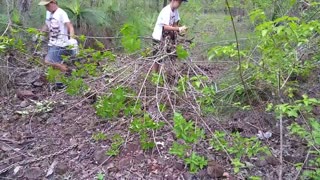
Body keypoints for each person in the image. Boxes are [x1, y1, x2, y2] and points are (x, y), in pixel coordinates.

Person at [38, 0, 76, 72]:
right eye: (45, 6)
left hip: (59, 44)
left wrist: (72, 40)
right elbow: (47, 25)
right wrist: (40, 34)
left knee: (47, 61)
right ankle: (60, 81)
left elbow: (70, 27)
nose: (46, 8)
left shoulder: (61, 13)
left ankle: (68, 70)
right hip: (51, 43)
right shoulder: (48, 13)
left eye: (47, 5)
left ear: (54, 3)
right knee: (55, 67)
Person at [152, 0, 188, 73]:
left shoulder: (175, 11)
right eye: (179, 2)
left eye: (180, 3)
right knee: (157, 59)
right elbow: (165, 27)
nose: (179, 4)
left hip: (167, 38)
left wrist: (180, 31)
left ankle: (169, 74)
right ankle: (154, 75)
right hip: (158, 37)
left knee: (171, 56)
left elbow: (175, 24)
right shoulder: (166, 11)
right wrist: (178, 29)